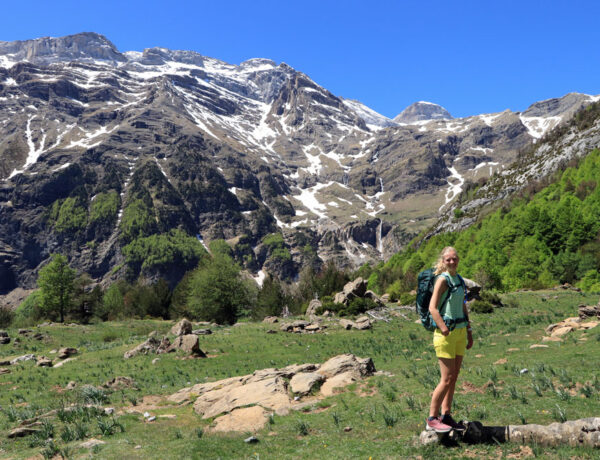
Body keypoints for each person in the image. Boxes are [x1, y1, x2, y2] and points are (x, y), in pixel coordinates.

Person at [426, 246, 473, 433]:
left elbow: (463, 306)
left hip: (460, 333)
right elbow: (432, 308)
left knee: (453, 378)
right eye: (448, 260)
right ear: (443, 261)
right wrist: (444, 328)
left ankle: (446, 415)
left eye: (455, 259)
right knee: (446, 379)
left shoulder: (459, 280)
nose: (452, 262)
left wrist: (469, 331)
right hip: (446, 335)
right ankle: (432, 417)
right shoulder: (442, 280)